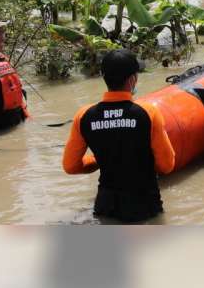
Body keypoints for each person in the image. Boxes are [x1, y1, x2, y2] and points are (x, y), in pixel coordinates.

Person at [63, 49, 175, 222]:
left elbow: (70, 166)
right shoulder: (148, 113)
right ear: (132, 79)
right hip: (144, 205)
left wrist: (98, 160)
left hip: (105, 206)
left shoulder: (83, 115)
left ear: (103, 77)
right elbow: (166, 165)